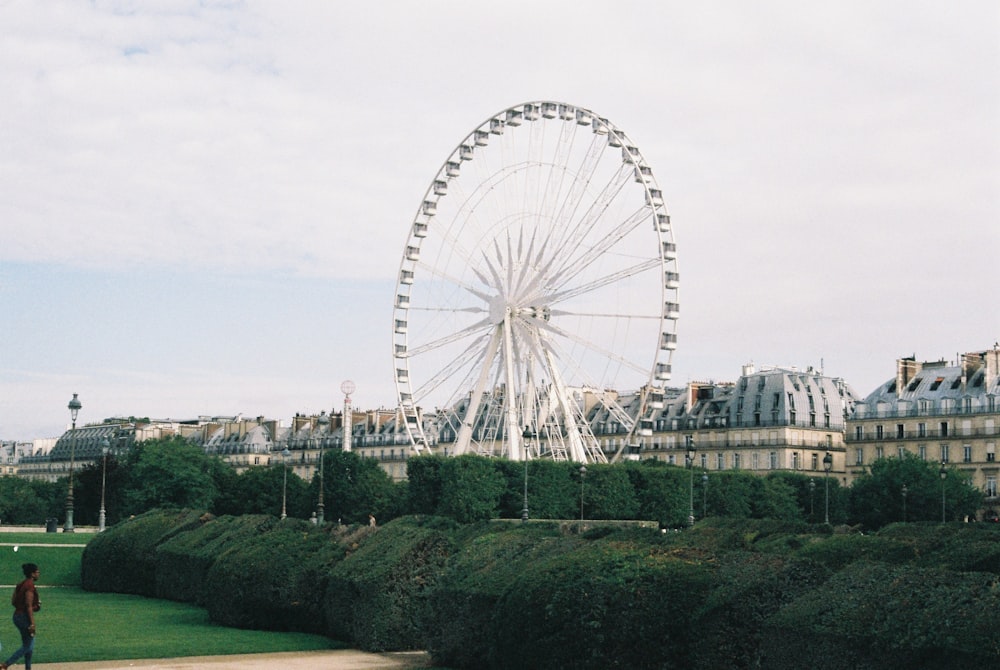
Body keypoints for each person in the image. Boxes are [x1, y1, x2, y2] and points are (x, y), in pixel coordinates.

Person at [2, 563, 41, 670]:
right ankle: (5, 665)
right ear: (32, 574)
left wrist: (33, 606)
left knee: (29, 644)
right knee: (28, 645)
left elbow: (13, 602)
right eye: (37, 572)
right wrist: (32, 623)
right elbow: (28, 605)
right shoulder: (29, 586)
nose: (39, 574)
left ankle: (28, 668)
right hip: (24, 617)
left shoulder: (21, 584)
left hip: (17, 616)